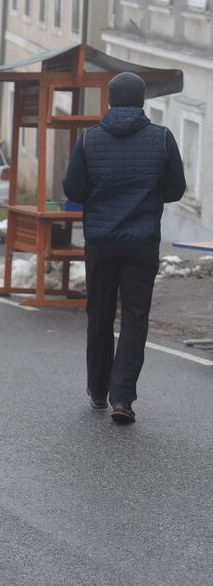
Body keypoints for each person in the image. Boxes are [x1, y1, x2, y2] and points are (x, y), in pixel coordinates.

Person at [63, 72, 186, 424]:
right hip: (142, 241)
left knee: (100, 315)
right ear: (142, 100)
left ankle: (97, 390)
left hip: (101, 241)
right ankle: (123, 398)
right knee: (134, 318)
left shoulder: (89, 139)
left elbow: (73, 189)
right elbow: (176, 189)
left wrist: (100, 195)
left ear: (110, 99)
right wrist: (148, 195)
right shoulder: (162, 138)